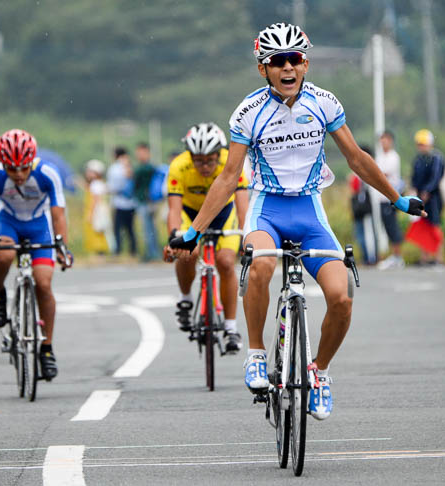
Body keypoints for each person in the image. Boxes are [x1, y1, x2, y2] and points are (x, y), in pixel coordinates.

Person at [169, 23, 425, 420]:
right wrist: (192, 231)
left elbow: (356, 157)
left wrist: (397, 199)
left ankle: (319, 373)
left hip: (310, 211)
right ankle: (255, 353)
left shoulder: (324, 103)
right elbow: (227, 177)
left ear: (305, 64)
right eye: (277, 61)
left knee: (341, 297)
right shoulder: (247, 113)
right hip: (267, 209)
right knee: (261, 263)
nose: (287, 68)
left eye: (295, 59)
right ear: (263, 69)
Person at [0, 129, 73, 380]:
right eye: (12, 169)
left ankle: (46, 349)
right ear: (3, 164)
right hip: (7, 223)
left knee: (43, 283)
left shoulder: (47, 174)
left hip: (38, 227)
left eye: (23, 168)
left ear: (31, 160)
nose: (19, 175)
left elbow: (58, 214)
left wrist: (62, 247)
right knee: (5, 255)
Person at [164, 122, 249, 353]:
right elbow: (173, 209)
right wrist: (174, 237)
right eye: (198, 160)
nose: (204, 166)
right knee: (188, 253)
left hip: (224, 213)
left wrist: (246, 235)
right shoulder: (179, 166)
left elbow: (242, 204)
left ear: (218, 154)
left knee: (225, 262)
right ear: (189, 156)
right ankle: (185, 298)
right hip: (190, 215)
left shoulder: (231, 161)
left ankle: (231, 327)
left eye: (210, 160)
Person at [411, 129, 445, 267]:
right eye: (419, 144)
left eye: (423, 144)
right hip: (421, 197)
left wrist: (427, 191)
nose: (421, 147)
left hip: (434, 197)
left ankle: (439, 257)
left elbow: (436, 177)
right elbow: (414, 177)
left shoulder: (436, 157)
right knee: (423, 227)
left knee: (435, 226)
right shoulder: (418, 159)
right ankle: (424, 257)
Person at [374, 131, 405, 269]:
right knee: (386, 226)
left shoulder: (393, 157)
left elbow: (381, 173)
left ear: (391, 141)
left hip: (391, 197)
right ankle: (393, 256)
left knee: (393, 227)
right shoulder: (380, 156)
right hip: (381, 197)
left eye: (385, 140)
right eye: (381, 140)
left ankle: (398, 256)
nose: (383, 143)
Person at [133, 142, 162, 261]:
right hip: (148, 201)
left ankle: (152, 253)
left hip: (146, 202)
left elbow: (136, 182)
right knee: (151, 228)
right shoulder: (151, 167)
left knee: (148, 229)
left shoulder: (146, 168)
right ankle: (153, 251)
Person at [107, 147, 137, 256]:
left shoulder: (114, 168)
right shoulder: (130, 166)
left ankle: (118, 250)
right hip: (132, 203)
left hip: (119, 203)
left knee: (117, 228)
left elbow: (112, 186)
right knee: (130, 229)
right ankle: (133, 250)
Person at [82, 159, 111, 256]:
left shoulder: (95, 184)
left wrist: (91, 213)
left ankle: (99, 252)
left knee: (97, 232)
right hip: (100, 211)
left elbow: (95, 200)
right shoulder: (100, 183)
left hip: (96, 212)